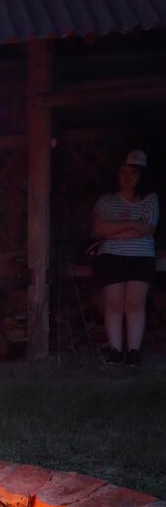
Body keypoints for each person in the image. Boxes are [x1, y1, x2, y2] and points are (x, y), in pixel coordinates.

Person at [91, 150, 159, 366]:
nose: (127, 177)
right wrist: (131, 223)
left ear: (142, 176)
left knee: (135, 303)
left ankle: (133, 351)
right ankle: (115, 350)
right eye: (124, 172)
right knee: (113, 303)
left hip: (141, 257)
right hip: (111, 256)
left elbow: (148, 228)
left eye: (134, 173)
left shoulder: (150, 199)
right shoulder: (106, 200)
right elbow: (100, 228)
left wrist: (115, 229)